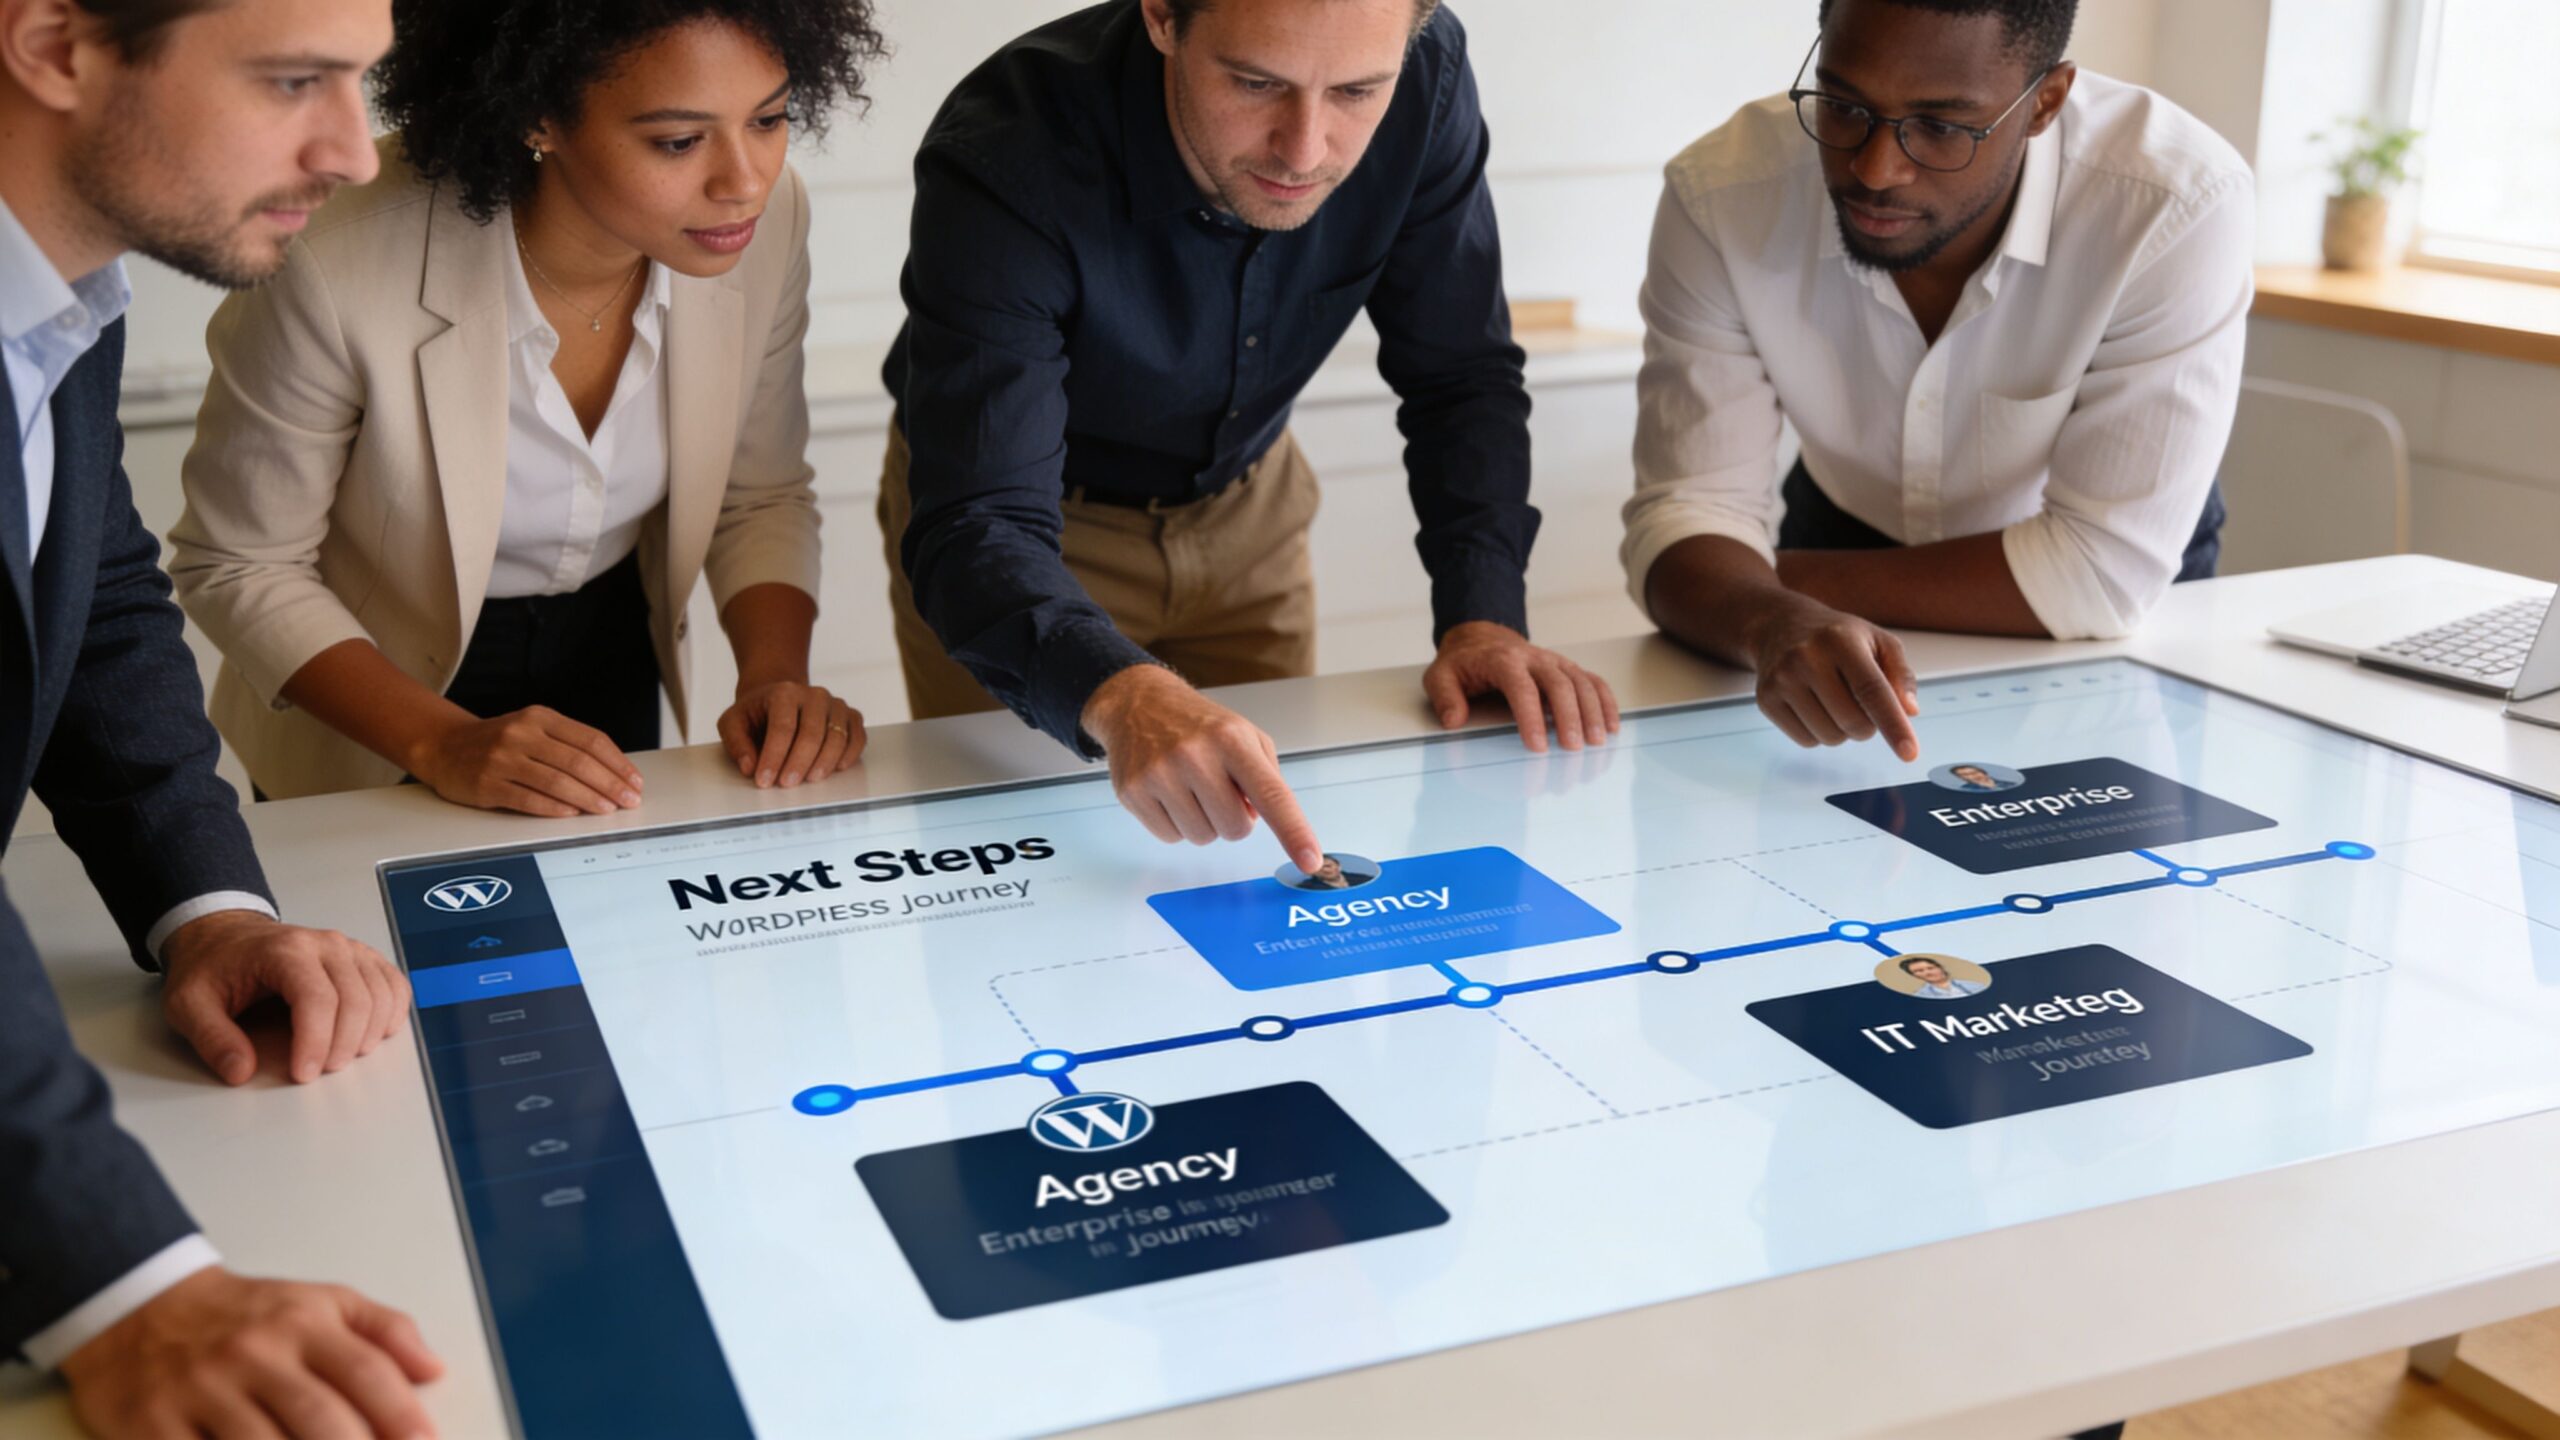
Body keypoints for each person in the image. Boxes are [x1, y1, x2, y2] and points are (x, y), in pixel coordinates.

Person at [883, 0, 1619, 880]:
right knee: (1035, 875)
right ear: (1162, 15)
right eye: (1256, 83)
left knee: (1260, 863)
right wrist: (1117, 693)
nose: (1304, 150)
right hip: (1023, 542)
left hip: (1252, 510)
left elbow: (1460, 373)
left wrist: (1483, 615)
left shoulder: (1426, 69)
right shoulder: (1008, 147)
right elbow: (981, 520)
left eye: (1355, 91)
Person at [0, 0, 444, 1433]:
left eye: (360, 81)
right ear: (56, 45)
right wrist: (128, 1287)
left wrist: (208, 911)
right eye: (293, 81)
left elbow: (98, 593)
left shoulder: (59, 280)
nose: (356, 151)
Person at [166, 0, 888, 814]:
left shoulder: (763, 221)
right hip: (367, 691)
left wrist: (776, 675)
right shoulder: (330, 260)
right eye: (679, 142)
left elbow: (759, 493)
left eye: (769, 117)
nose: (745, 181)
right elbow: (241, 565)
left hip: (614, 642)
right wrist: (440, 741)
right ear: (538, 116)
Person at [1625, 0, 2251, 764]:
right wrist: (1763, 609)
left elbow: (2098, 577)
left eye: (1943, 127)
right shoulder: (1720, 194)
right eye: (1844, 105)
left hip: (2107, 575)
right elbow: (1690, 511)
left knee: (2094, 855)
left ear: (2045, 102)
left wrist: (1751, 592)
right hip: (1839, 531)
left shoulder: (2173, 201)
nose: (1874, 168)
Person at [1900, 954, 1987, 999]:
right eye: (1919, 971)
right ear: (1914, 975)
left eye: (1930, 968)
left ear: (1940, 967)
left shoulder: (1975, 985)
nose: (1927, 973)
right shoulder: (1920, 996)